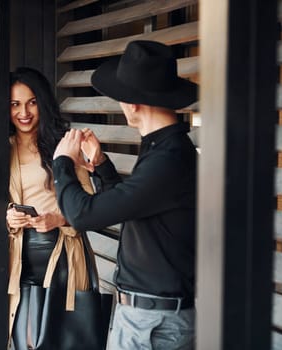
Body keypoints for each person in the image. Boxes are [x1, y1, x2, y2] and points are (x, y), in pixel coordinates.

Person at [52, 40, 198, 349]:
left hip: (150, 323)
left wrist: (62, 163)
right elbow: (129, 205)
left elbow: (83, 214)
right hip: (148, 317)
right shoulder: (163, 148)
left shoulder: (168, 158)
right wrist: (101, 166)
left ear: (132, 103)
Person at [5, 67, 95, 349]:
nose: (24, 112)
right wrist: (8, 216)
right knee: (25, 339)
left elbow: (89, 203)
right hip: (20, 258)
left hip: (62, 256)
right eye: (15, 104)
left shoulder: (64, 144)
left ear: (42, 102)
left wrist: (58, 218)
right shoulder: (0, 147)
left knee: (61, 339)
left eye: (32, 102)